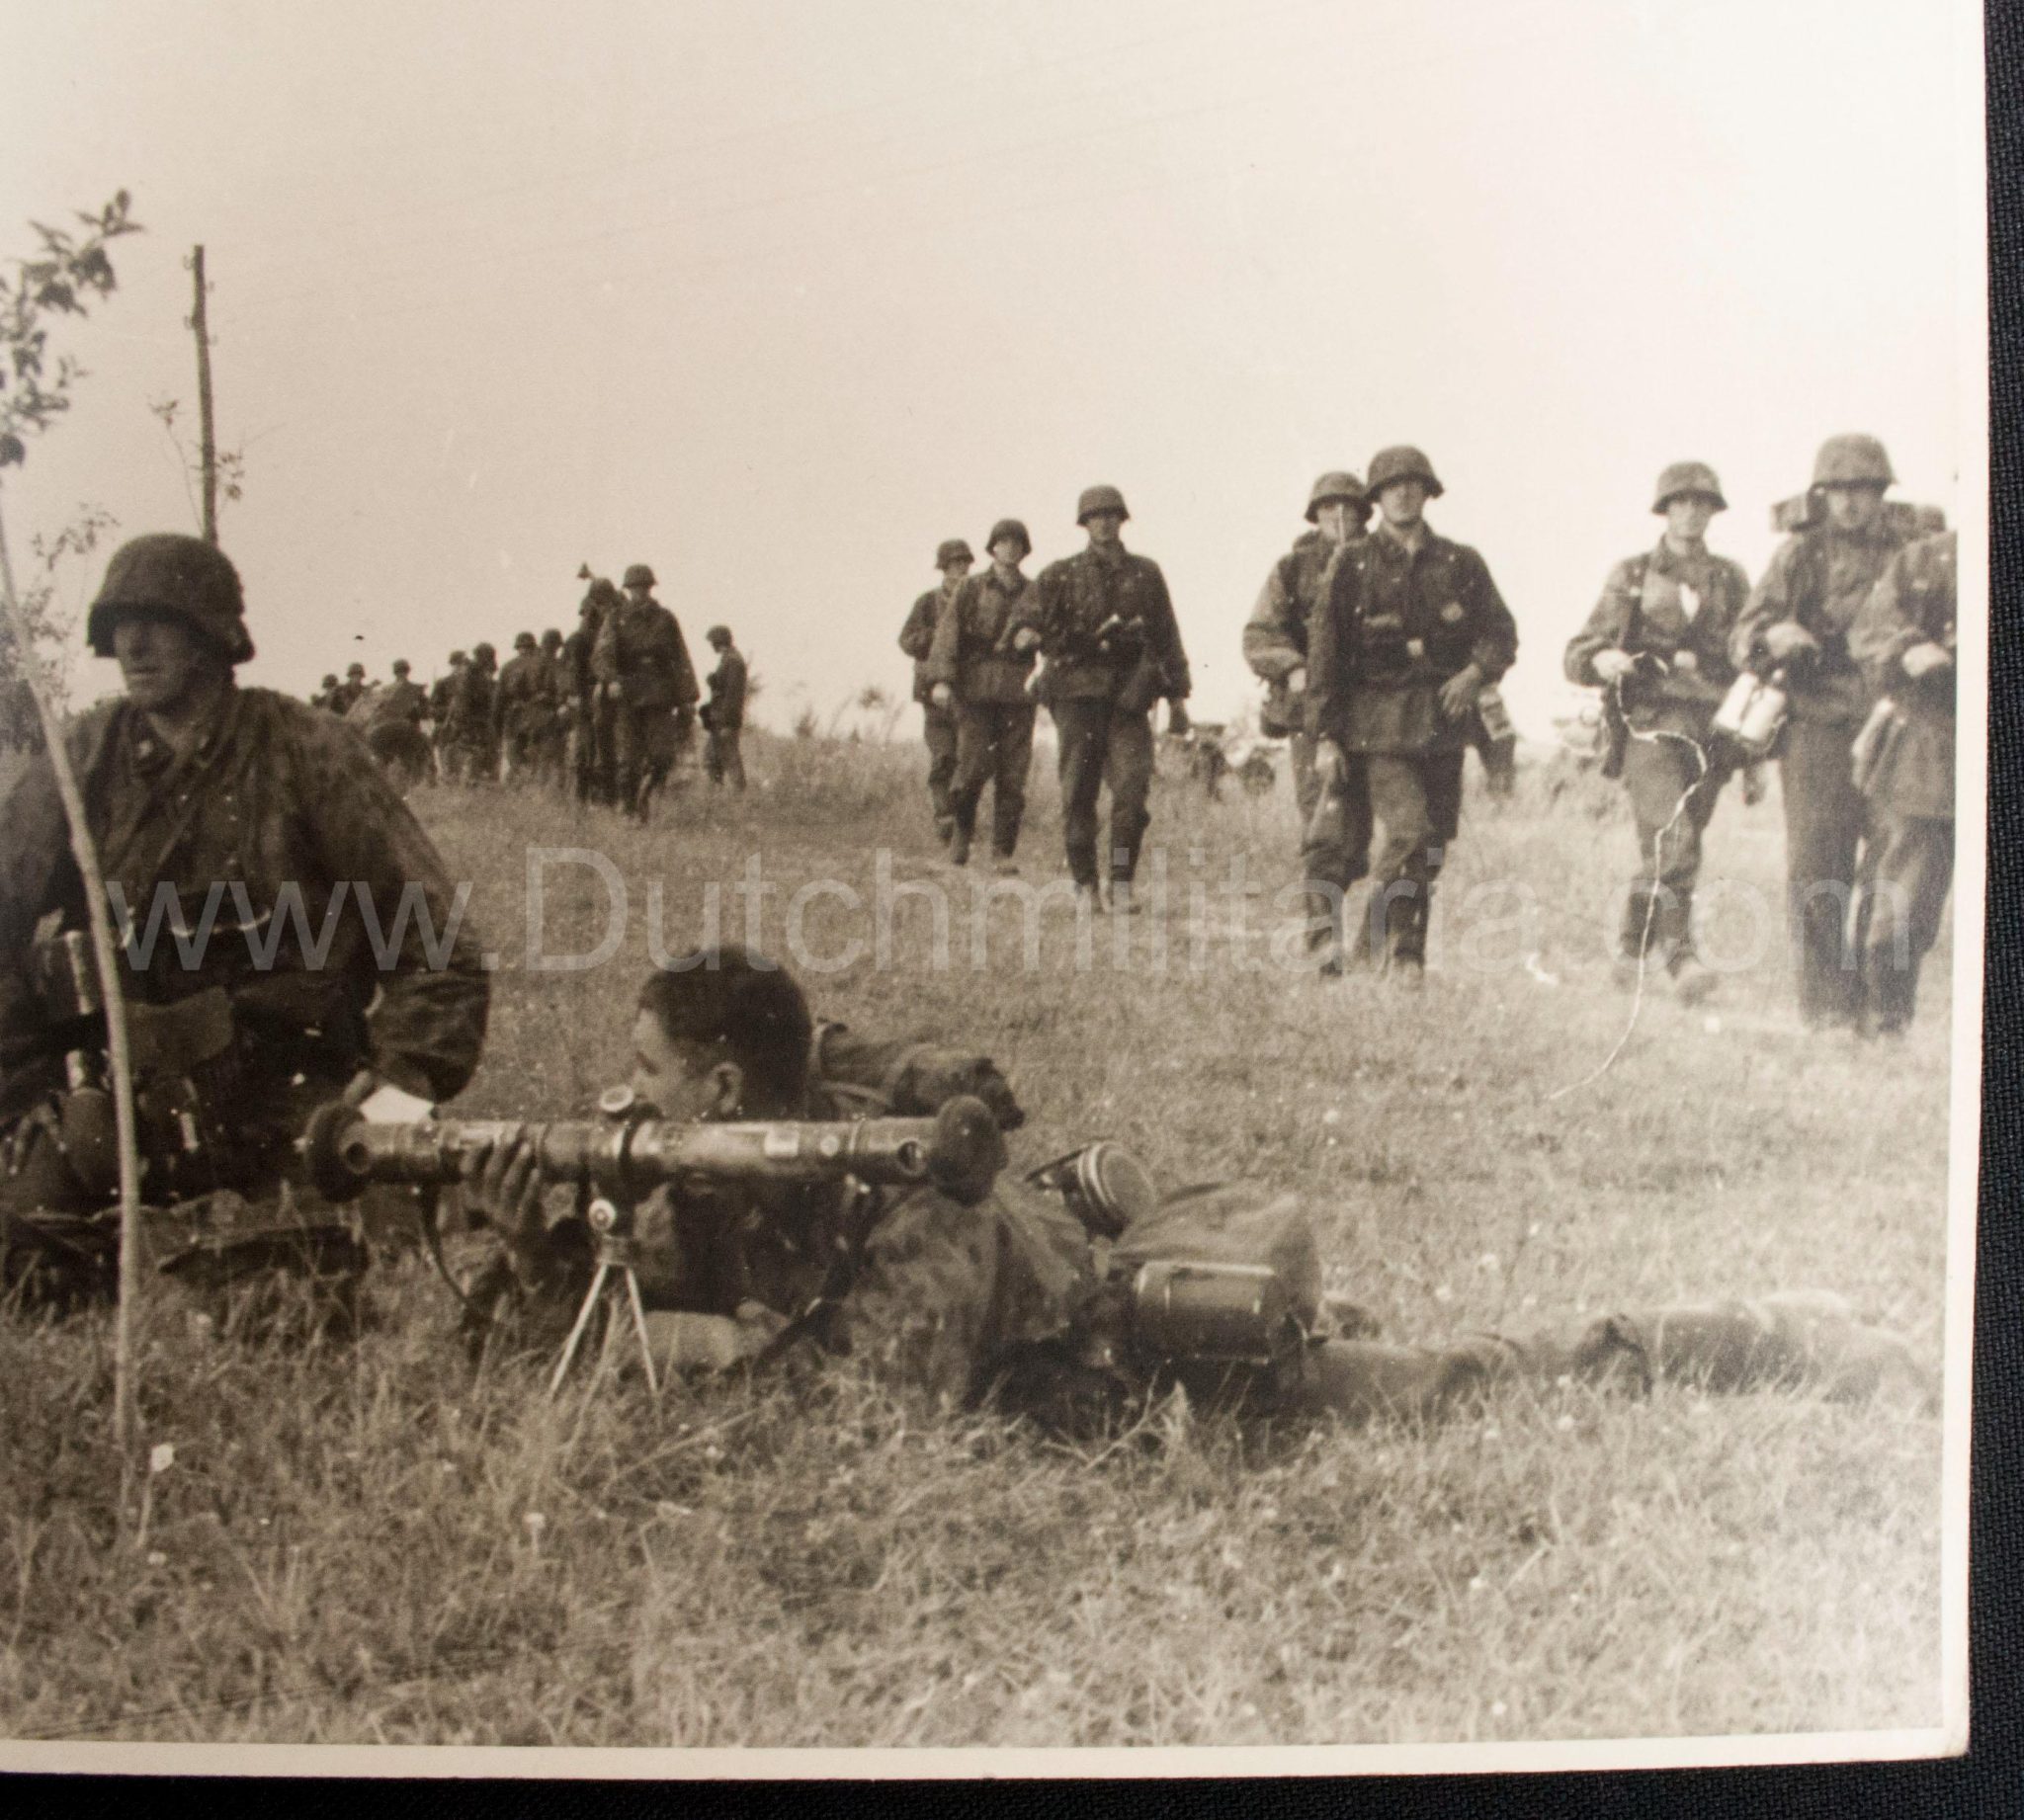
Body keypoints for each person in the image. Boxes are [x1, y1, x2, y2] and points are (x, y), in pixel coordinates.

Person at [454, 948, 1922, 1430]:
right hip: (1073, 1283)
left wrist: (696, 1345)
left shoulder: (911, 1197)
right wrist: (536, 1252)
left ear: (720, 1089)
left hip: (1147, 1360)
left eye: (645, 1071)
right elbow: (601, 1326)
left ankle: (1795, 1336)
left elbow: (863, 1411)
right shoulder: (717, 1168)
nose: (623, 1098)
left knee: (1464, 1375)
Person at [0, 534, 490, 1310]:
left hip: (293, 1093)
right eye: (119, 623)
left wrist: (399, 1086)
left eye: (158, 620)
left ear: (213, 635)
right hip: (129, 1101)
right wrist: (26, 1093)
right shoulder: (80, 761)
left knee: (355, 1273)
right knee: (29, 1260)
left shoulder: (305, 750)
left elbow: (434, 941)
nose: (133, 642)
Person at [1307, 447, 1518, 977]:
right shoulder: (1351, 563)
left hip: (1445, 724)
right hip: (1378, 724)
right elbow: (1326, 656)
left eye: (1413, 484)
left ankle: (1393, 950)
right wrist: (1326, 737)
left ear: (1428, 492)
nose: (1403, 493)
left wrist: (1474, 674)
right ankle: (1389, 951)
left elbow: (1500, 633)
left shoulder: (1461, 562)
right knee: (1409, 832)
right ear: (1376, 498)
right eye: (1391, 486)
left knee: (1433, 846)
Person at [1730, 435, 1914, 1030]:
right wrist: (1773, 636)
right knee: (1817, 864)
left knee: (1893, 865)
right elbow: (1745, 632)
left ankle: (1879, 1003)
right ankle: (1825, 1009)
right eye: (1840, 491)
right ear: (1823, 495)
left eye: (1864, 490)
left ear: (1881, 493)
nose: (1852, 503)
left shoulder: (1914, 550)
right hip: (1818, 723)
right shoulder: (1799, 555)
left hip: (1895, 721)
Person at [1563, 462, 1751, 1000]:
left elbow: (1751, 660)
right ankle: (1679, 958)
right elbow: (1580, 650)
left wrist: (1754, 756)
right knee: (1675, 843)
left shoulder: (1732, 579)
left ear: (1714, 511)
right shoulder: (1633, 573)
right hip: (1649, 725)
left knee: (1671, 846)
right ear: (1664, 510)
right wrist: (1602, 658)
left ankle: (1628, 951)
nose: (1691, 512)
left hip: (1713, 730)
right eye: (1681, 502)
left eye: (1702, 503)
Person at [1019, 486, 1192, 912]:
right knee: (1078, 794)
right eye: (1095, 516)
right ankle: (1084, 885)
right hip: (1076, 694)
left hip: (1130, 697)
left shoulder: (1146, 573)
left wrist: (1178, 698)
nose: (1105, 522)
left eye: (1112, 515)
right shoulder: (1060, 574)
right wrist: (1028, 634)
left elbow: (1167, 635)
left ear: (1122, 520)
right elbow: (1025, 619)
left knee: (1132, 793)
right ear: (1084, 523)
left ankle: (1121, 882)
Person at [1243, 471, 1372, 971]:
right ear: (1314, 515)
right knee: (1323, 825)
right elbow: (1259, 635)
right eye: (1327, 508)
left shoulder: (1382, 562)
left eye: (1350, 507)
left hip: (1377, 713)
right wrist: (1293, 666)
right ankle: (1323, 943)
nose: (1339, 517)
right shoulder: (1292, 569)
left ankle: (1365, 935)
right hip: (1313, 717)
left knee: (1361, 846)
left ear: (1366, 512)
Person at [1848, 530, 1957, 1037]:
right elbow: (1871, 630)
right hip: (1932, 736)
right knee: (1912, 883)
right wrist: (1910, 647)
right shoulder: (1924, 559)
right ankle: (1884, 1016)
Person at [924, 519, 1039, 872]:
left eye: (1017, 543)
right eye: (1004, 542)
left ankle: (1003, 852)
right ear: (993, 548)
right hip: (975, 691)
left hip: (1018, 691)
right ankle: (961, 835)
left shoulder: (1036, 591)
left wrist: (1037, 637)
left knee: (1013, 774)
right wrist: (941, 680)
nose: (1011, 548)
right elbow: (948, 634)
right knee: (971, 768)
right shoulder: (971, 588)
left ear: (1024, 549)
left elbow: (1055, 630)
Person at [593, 562, 700, 821]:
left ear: (650, 588)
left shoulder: (665, 618)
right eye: (634, 588)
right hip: (627, 693)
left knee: (663, 756)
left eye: (643, 587)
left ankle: (645, 795)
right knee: (628, 760)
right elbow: (602, 654)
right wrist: (611, 680)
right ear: (628, 590)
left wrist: (687, 698)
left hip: (659, 694)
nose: (639, 592)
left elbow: (680, 658)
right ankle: (629, 808)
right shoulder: (616, 617)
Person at [898, 539, 972, 847]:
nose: (960, 569)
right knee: (943, 755)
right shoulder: (927, 602)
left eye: (964, 564)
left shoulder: (975, 599)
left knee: (968, 759)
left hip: (967, 691)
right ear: (943, 568)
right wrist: (940, 636)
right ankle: (944, 816)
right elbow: (906, 640)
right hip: (934, 693)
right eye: (954, 564)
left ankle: (961, 820)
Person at [563, 580, 618, 807]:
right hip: (587, 700)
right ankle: (584, 799)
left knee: (604, 750)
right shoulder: (579, 638)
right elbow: (572, 671)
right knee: (586, 752)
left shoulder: (610, 631)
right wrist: (576, 696)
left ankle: (602, 799)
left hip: (604, 698)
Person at [493, 630, 559, 786]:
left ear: (517, 647)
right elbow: (554, 691)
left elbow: (498, 701)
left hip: (514, 719)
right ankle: (538, 789)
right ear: (533, 645)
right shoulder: (545, 663)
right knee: (542, 758)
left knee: (516, 759)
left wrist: (497, 728)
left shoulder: (508, 667)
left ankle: (520, 789)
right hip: (541, 717)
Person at [364, 657, 433, 787]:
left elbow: (377, 712)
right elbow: (426, 713)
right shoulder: (415, 689)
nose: (402, 674)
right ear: (407, 671)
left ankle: (384, 786)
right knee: (412, 761)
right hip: (406, 732)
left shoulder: (386, 690)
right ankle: (416, 786)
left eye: (401, 672)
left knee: (385, 762)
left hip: (389, 731)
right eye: (402, 672)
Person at [701, 624, 748, 790]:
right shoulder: (729, 659)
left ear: (719, 641)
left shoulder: (733, 661)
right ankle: (717, 797)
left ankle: (739, 796)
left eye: (713, 641)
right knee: (712, 758)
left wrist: (728, 724)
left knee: (729, 758)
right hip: (720, 719)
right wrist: (714, 682)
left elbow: (733, 696)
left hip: (725, 721)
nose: (712, 645)